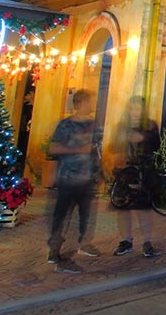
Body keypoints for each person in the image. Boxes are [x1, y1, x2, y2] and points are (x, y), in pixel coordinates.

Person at [47, 89, 101, 273]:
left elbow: (97, 149)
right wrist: (77, 150)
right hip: (68, 177)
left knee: (86, 216)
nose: (93, 105)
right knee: (63, 215)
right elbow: (53, 148)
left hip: (88, 178)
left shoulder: (95, 126)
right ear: (80, 104)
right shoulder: (65, 125)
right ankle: (55, 251)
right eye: (90, 101)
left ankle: (84, 244)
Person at [113, 96, 161, 258]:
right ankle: (126, 240)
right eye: (132, 107)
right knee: (123, 208)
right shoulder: (122, 126)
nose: (134, 111)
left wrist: (144, 137)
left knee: (143, 208)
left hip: (143, 170)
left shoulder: (150, 125)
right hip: (125, 171)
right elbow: (114, 145)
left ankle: (147, 242)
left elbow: (157, 145)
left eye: (138, 108)